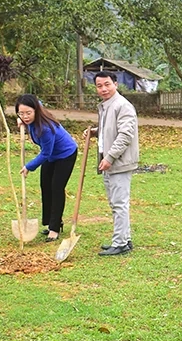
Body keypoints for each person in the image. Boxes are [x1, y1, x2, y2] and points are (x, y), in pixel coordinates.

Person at [82, 71, 139, 256]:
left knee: (119, 203)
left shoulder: (123, 105)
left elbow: (125, 135)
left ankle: (120, 243)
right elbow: (112, 129)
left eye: (107, 84)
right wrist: (95, 132)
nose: (104, 89)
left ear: (115, 84)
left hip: (118, 162)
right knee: (116, 203)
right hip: (110, 162)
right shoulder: (107, 106)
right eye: (99, 86)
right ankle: (125, 239)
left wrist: (110, 157)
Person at [16, 94, 79, 242]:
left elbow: (45, 153)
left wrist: (29, 166)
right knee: (45, 185)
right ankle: (51, 222)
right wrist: (21, 120)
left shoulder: (44, 128)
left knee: (56, 187)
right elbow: (38, 101)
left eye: (28, 113)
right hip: (52, 156)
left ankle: (55, 228)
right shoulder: (32, 114)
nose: (25, 116)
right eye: (21, 113)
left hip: (65, 154)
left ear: (36, 111)